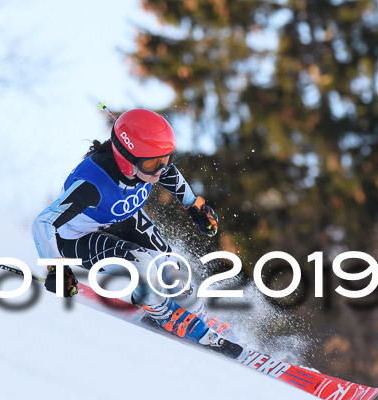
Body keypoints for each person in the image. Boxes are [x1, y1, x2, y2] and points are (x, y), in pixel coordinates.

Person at [32, 108, 243, 358]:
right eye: (153, 163)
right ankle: (162, 314)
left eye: (166, 160)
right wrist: (56, 269)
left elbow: (170, 175)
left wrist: (194, 205)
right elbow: (42, 222)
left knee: (172, 268)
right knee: (143, 265)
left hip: (120, 218)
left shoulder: (150, 168)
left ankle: (198, 313)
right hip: (78, 237)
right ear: (127, 160)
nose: (160, 171)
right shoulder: (91, 186)